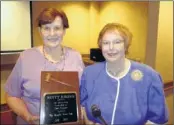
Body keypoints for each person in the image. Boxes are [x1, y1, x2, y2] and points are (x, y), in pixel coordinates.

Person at [4, 8, 84, 125]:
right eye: (46, 28)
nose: (52, 34)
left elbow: (84, 93)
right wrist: (27, 117)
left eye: (57, 28)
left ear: (64, 31)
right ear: (40, 31)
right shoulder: (26, 57)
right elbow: (12, 95)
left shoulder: (75, 56)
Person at [80, 23, 168, 125]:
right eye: (106, 43)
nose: (111, 47)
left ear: (126, 45)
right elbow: (83, 106)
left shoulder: (149, 76)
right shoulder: (90, 73)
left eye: (117, 42)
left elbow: (158, 120)